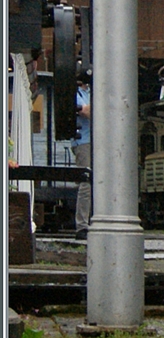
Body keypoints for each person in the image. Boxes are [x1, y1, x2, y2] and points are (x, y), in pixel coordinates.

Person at [73, 82, 91, 239]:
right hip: (84, 141)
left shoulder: (92, 92)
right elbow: (85, 111)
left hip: (98, 140)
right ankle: (82, 225)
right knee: (86, 183)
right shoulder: (75, 93)